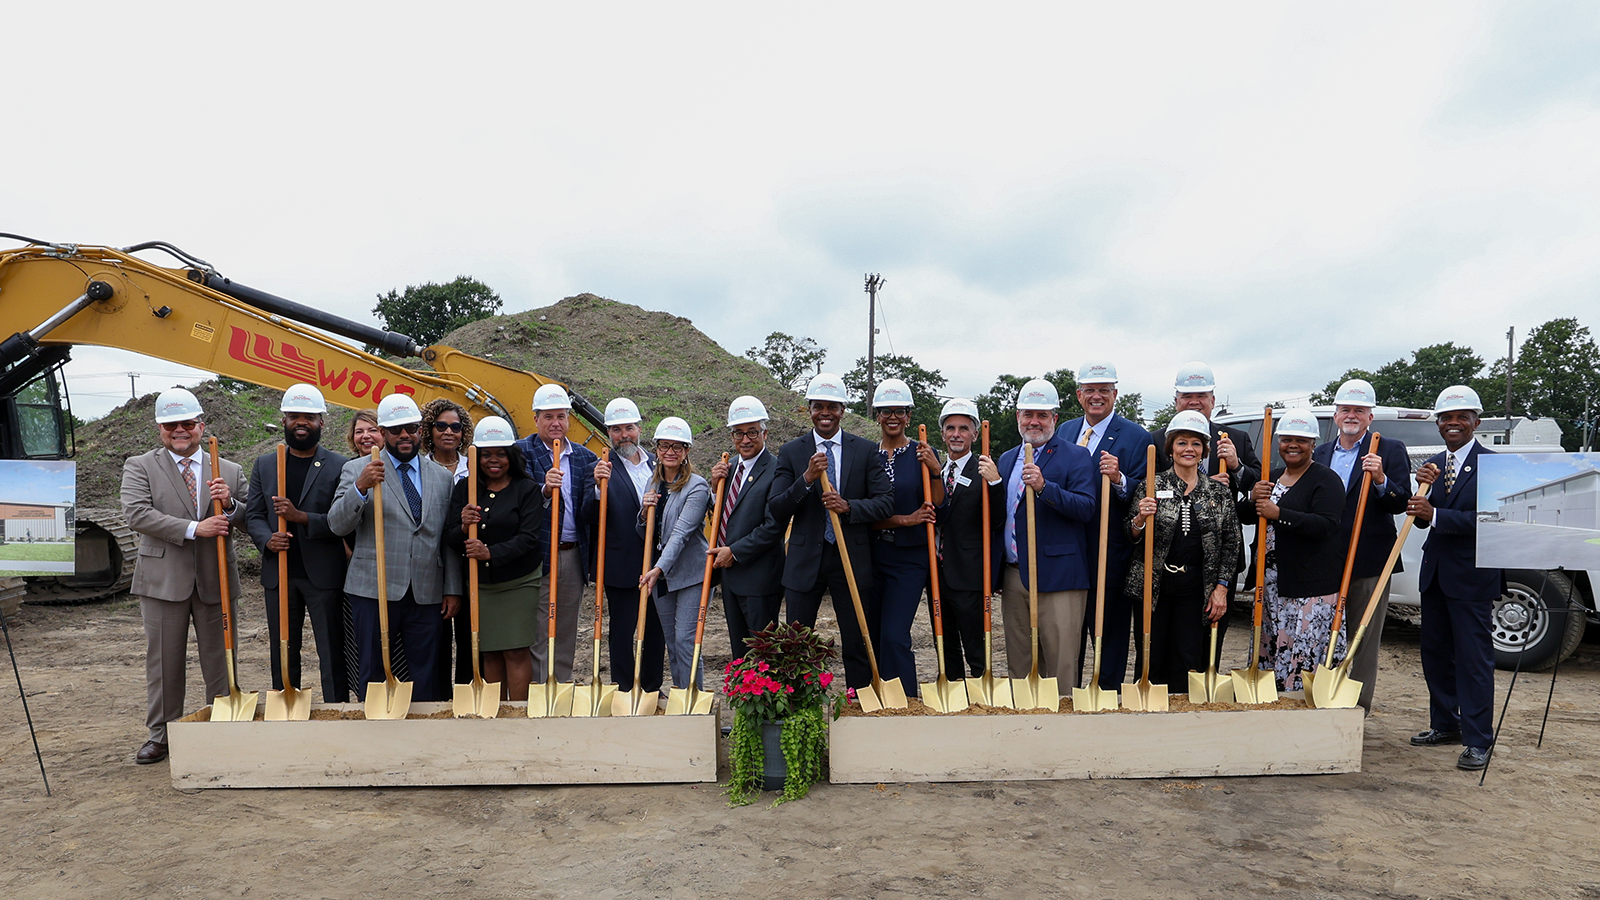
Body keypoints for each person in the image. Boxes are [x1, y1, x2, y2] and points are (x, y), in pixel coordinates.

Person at [120, 387, 247, 764]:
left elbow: (248, 516)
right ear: (160, 428)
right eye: (171, 424)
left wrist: (233, 503)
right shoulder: (140, 466)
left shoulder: (228, 469)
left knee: (222, 658)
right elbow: (137, 514)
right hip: (163, 580)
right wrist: (195, 529)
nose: (180, 430)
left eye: (187, 424)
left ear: (200, 425)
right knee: (163, 661)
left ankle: (222, 722)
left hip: (217, 579)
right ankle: (162, 734)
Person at [328, 393, 463, 703]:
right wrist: (360, 487)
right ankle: (374, 735)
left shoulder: (442, 478)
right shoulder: (357, 470)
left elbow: (447, 538)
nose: (405, 435)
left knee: (425, 672)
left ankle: (422, 737)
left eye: (411, 428)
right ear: (384, 433)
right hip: (374, 590)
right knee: (373, 669)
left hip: (426, 590)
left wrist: (453, 588)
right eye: (396, 430)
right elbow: (337, 524)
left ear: (420, 431)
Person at [769, 372, 894, 690]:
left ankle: (858, 699)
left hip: (850, 557)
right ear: (809, 409)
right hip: (804, 561)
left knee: (856, 639)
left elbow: (885, 503)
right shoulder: (792, 452)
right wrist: (807, 479)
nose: (825, 412)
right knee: (797, 643)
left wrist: (848, 506)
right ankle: (799, 703)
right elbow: (778, 507)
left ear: (842, 410)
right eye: (818, 406)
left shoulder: (865, 451)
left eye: (833, 407)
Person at [1408, 385, 1502, 771]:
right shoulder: (1432, 464)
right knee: (1436, 656)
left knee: (1473, 660)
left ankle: (1478, 739)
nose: (1453, 423)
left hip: (1472, 578)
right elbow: (1418, 520)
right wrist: (1420, 495)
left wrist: (1437, 515)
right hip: (1436, 576)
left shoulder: (1493, 466)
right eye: (1446, 417)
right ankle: (1446, 724)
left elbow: (1495, 522)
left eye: (1461, 417)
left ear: (1475, 422)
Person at [1311, 378, 1413, 714]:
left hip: (1369, 561)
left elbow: (1401, 504)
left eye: (1359, 410)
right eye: (1345, 410)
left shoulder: (1389, 449)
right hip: (1326, 560)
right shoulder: (1321, 452)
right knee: (1324, 633)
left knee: (1362, 639)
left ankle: (1357, 710)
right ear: (1336, 415)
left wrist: (1382, 479)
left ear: (1370, 417)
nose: (1351, 415)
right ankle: (1321, 701)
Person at [244, 384, 350, 704]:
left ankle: (337, 708)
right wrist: (267, 539)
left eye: (309, 417)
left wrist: (300, 516)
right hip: (280, 574)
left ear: (321, 422)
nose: (300, 422)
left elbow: (340, 520)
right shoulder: (265, 464)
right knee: (283, 647)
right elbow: (254, 515)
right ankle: (288, 708)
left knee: (331, 649)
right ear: (284, 420)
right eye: (294, 416)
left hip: (324, 574)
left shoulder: (339, 465)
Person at [991, 379, 1096, 691]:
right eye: (1027, 415)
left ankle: (1062, 730)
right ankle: (1024, 729)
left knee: (1060, 663)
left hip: (1060, 577)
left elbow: (1086, 508)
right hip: (1014, 575)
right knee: (1020, 662)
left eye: (1042, 415)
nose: (1034, 421)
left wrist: (1045, 488)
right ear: (1017, 417)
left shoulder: (1076, 456)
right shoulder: (1007, 459)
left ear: (1055, 419)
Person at [1124, 411, 1241, 690]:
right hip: (1156, 587)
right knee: (1152, 656)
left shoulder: (1218, 492)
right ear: (1170, 448)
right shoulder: (1152, 485)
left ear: (1204, 451)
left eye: (1196, 443)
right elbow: (1131, 536)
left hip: (1196, 587)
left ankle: (1185, 719)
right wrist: (1140, 519)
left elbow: (1231, 543)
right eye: (1181, 443)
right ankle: (1151, 718)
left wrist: (1221, 588)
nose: (1189, 449)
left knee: (1188, 659)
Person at [1059, 361, 1154, 690]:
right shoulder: (1065, 431)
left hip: (1109, 554)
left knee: (1109, 635)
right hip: (1069, 552)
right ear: (1079, 395)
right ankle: (1069, 694)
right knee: (1070, 633)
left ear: (1115, 394)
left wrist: (1119, 479)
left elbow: (1142, 494)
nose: (1096, 396)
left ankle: (1107, 695)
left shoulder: (1136, 438)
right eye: (1090, 390)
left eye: (1104, 390)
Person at [1239, 408, 1345, 692]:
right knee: (1272, 648)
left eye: (1302, 440)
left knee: (1302, 656)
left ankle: (1300, 710)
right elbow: (1248, 515)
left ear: (1313, 444)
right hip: (1272, 585)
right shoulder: (1271, 476)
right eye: (1286, 439)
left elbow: (1326, 524)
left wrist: (1279, 513)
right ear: (1278, 443)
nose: (1293, 445)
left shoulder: (1326, 479)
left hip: (1309, 588)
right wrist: (1253, 499)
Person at [445, 416, 540, 701]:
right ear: (476, 457)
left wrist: (490, 552)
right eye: (486, 455)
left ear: (511, 455)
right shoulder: (465, 489)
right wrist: (462, 526)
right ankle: (496, 711)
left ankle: (518, 712)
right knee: (490, 650)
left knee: (515, 649)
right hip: (481, 585)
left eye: (501, 454)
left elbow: (530, 538)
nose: (493, 460)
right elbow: (448, 538)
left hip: (518, 582)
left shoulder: (527, 489)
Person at [513, 383, 599, 684]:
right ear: (535, 419)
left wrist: (601, 489)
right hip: (537, 554)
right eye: (548, 416)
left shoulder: (586, 458)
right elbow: (514, 502)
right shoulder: (519, 453)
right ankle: (537, 691)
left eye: (561, 416)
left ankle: (560, 687)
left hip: (572, 554)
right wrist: (543, 491)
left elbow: (591, 510)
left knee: (565, 628)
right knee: (537, 628)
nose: (555, 423)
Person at [865, 379, 944, 697]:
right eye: (885, 411)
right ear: (877, 415)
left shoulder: (923, 453)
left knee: (895, 635)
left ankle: (906, 701)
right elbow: (863, 512)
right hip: (872, 555)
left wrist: (936, 470)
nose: (892, 417)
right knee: (873, 634)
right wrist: (906, 519)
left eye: (899, 411)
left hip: (910, 559)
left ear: (909, 416)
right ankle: (877, 698)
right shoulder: (867, 455)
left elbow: (938, 504)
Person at [584, 397, 666, 695]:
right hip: (621, 566)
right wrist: (596, 488)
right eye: (616, 430)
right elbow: (588, 516)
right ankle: (624, 689)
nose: (624, 435)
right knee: (622, 630)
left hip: (658, 564)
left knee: (656, 630)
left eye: (629, 428)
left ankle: (652, 687)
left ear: (640, 428)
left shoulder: (657, 465)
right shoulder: (600, 469)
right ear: (608, 432)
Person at [707, 396, 787, 657]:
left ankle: (765, 699)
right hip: (730, 579)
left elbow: (773, 526)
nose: (745, 440)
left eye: (752, 432)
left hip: (759, 580)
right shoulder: (728, 470)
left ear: (765, 433)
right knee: (739, 654)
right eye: (739, 433)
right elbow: (723, 516)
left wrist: (735, 551)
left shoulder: (777, 471)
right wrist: (714, 488)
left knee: (763, 655)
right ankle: (743, 698)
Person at [638, 417, 712, 691]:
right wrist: (644, 511)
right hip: (663, 576)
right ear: (656, 449)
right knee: (672, 643)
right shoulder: (652, 483)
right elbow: (645, 532)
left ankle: (695, 703)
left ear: (686, 452)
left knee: (686, 641)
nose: (670, 452)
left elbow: (681, 534)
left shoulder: (697, 487)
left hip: (690, 574)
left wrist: (657, 569)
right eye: (665, 446)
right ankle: (682, 699)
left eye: (677, 447)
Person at [932, 398, 1000, 678]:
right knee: (944, 640)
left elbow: (996, 521)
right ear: (943, 433)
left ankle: (980, 690)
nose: (956, 434)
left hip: (970, 572)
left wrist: (995, 483)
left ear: (974, 434)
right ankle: (953, 687)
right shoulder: (934, 470)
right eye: (950, 428)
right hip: (938, 571)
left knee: (974, 641)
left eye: (963, 428)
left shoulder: (983, 470)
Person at [421, 399, 474, 696]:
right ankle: (439, 699)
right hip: (430, 565)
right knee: (436, 639)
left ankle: (466, 696)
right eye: (441, 426)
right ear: (430, 429)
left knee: (468, 638)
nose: (448, 432)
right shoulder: (419, 467)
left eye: (456, 427)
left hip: (469, 562)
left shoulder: (474, 467)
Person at [1150, 361, 1261, 490]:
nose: (1194, 402)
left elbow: (1258, 483)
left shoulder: (1236, 438)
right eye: (1187, 396)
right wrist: (1204, 485)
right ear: (1176, 402)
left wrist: (1236, 466)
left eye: (1201, 396)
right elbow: (1148, 486)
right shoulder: (1156, 440)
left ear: (1212, 401)